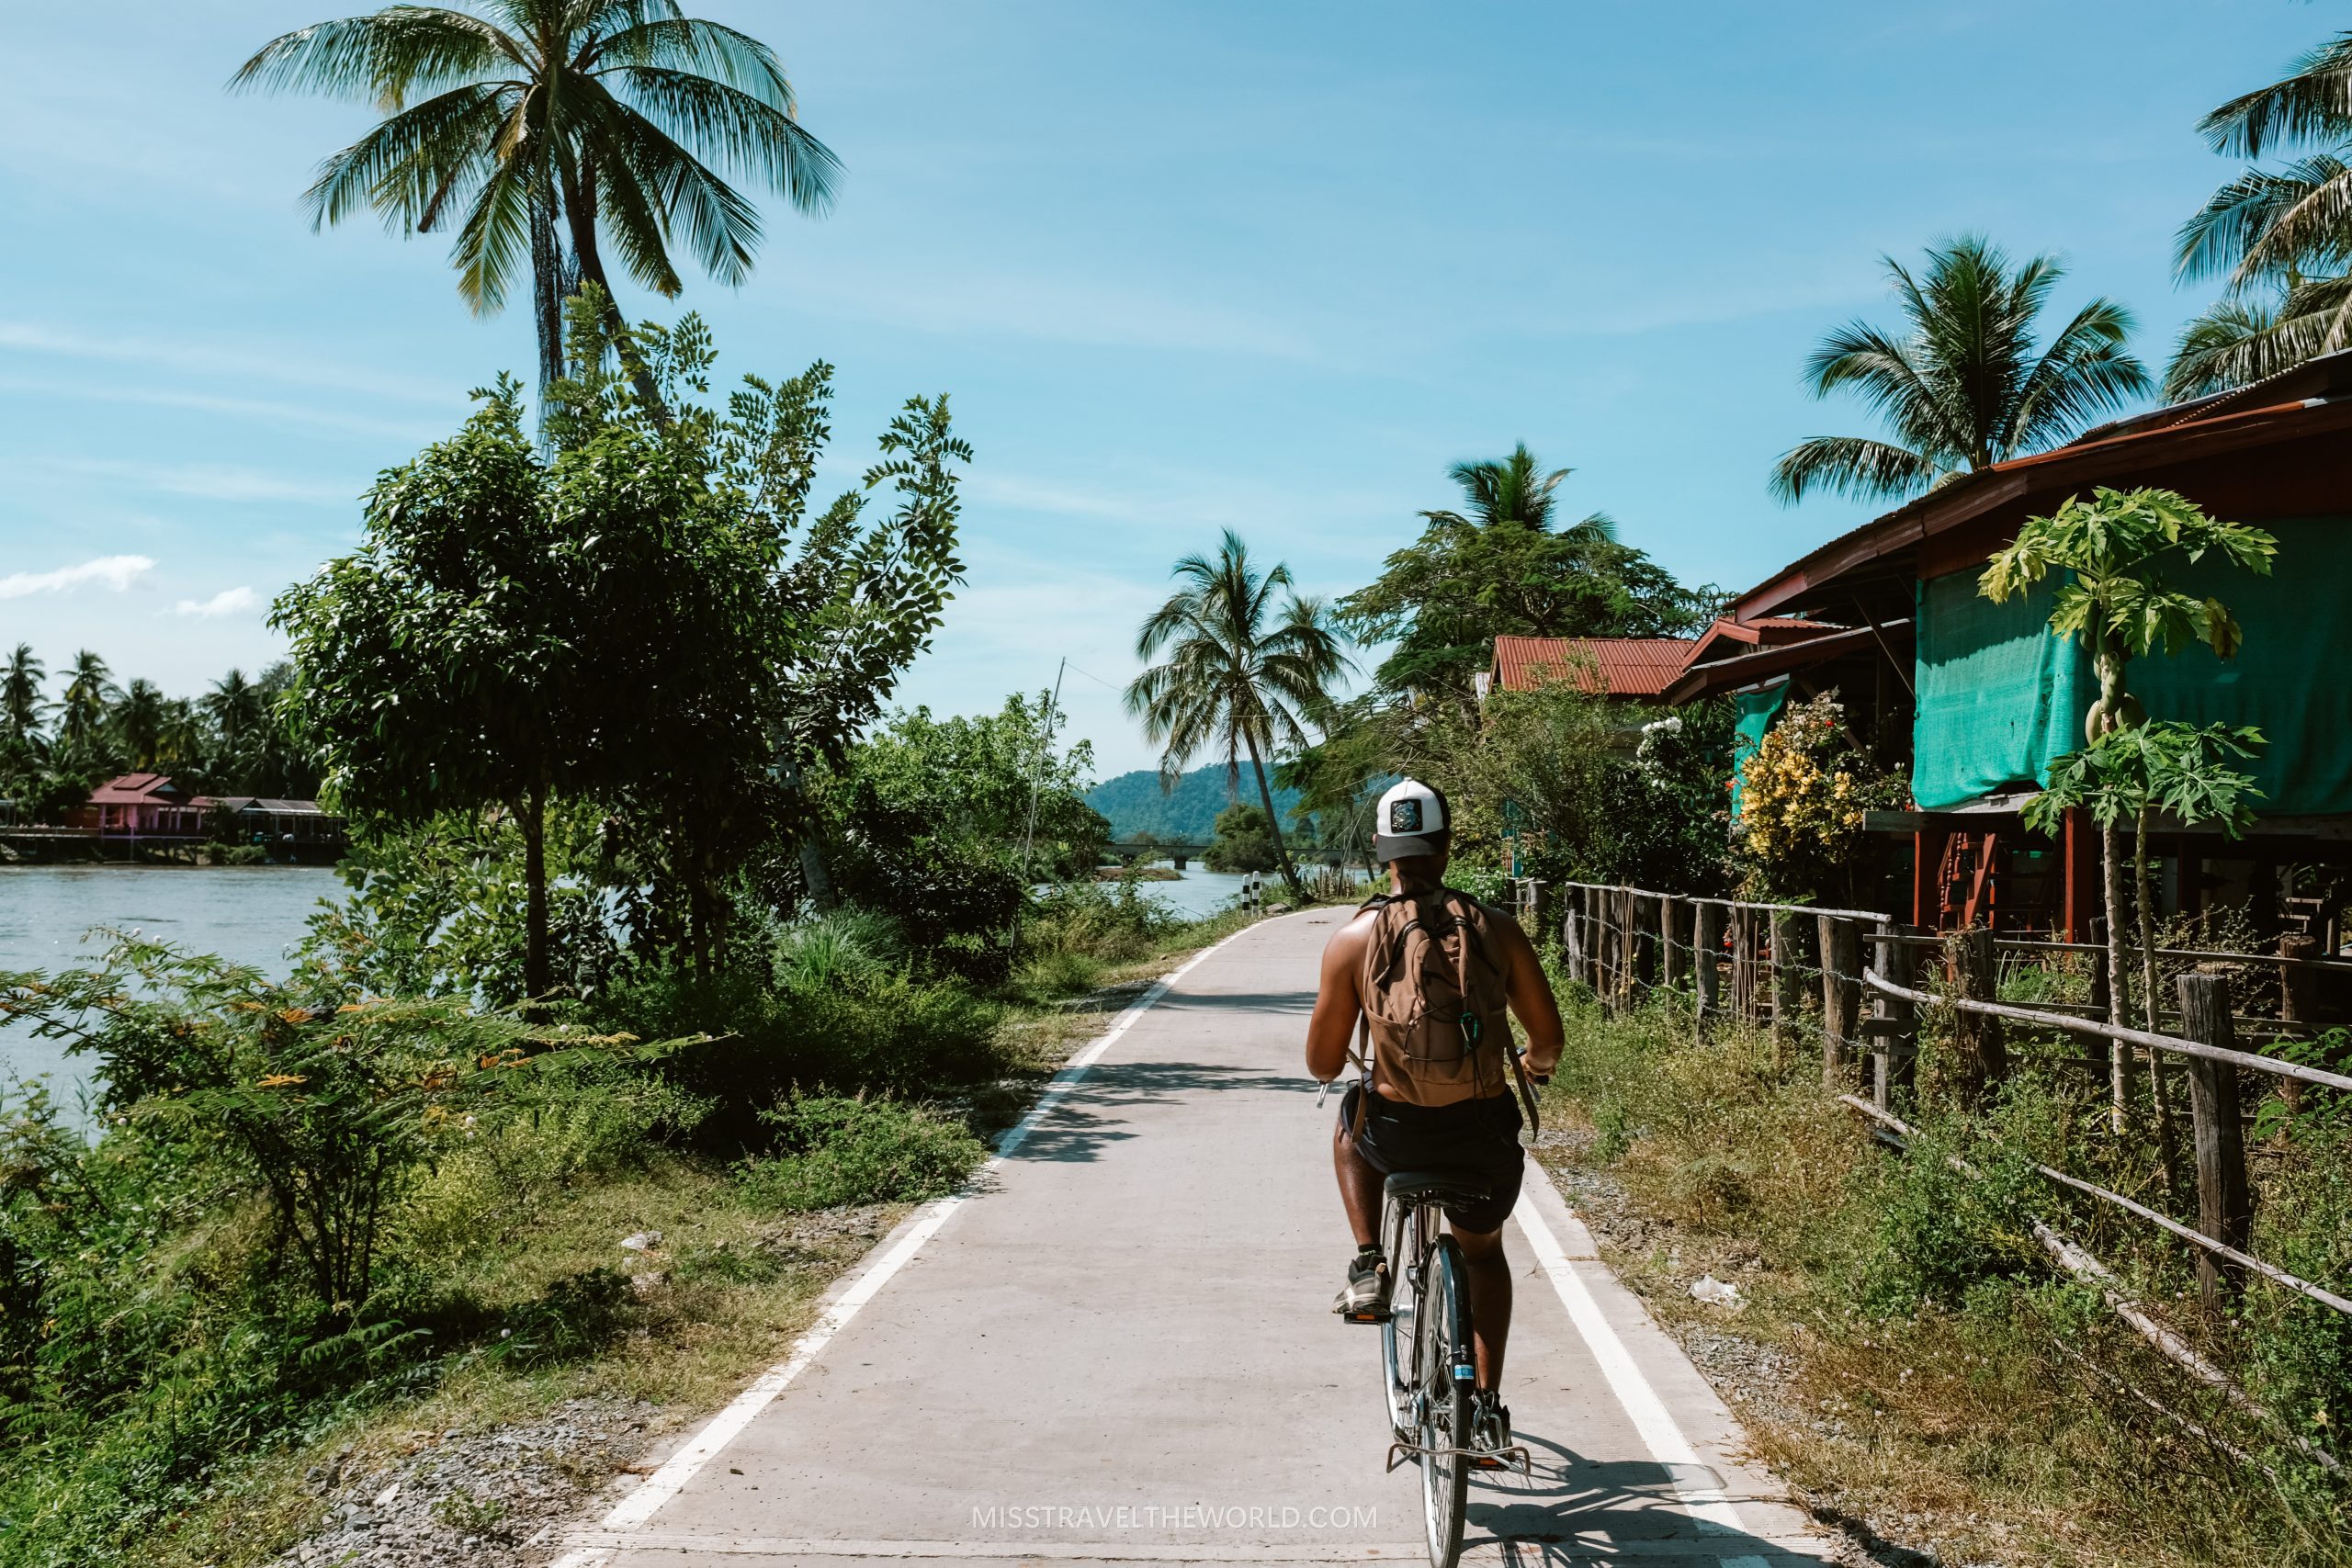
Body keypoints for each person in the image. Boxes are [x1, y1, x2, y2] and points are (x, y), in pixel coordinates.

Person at [1303, 778, 1564, 1456]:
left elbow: (1323, 1064)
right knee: (1483, 1252)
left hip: (1394, 1136)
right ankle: (1485, 1409)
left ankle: (1368, 1262)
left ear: (1382, 852)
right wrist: (1533, 1068)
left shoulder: (1352, 939)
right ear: (1446, 847)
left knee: (1348, 1113)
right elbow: (1548, 1038)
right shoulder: (1496, 929)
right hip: (1480, 1136)